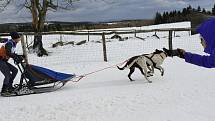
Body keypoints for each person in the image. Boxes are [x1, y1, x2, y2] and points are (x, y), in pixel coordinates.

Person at [0, 32, 24, 96]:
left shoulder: (12, 43)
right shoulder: (9, 43)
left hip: (3, 61)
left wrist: (18, 56)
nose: (19, 39)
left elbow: (11, 53)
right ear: (15, 38)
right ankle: (4, 91)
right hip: (1, 61)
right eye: (18, 38)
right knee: (7, 75)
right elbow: (8, 53)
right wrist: (15, 57)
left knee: (15, 70)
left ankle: (9, 86)